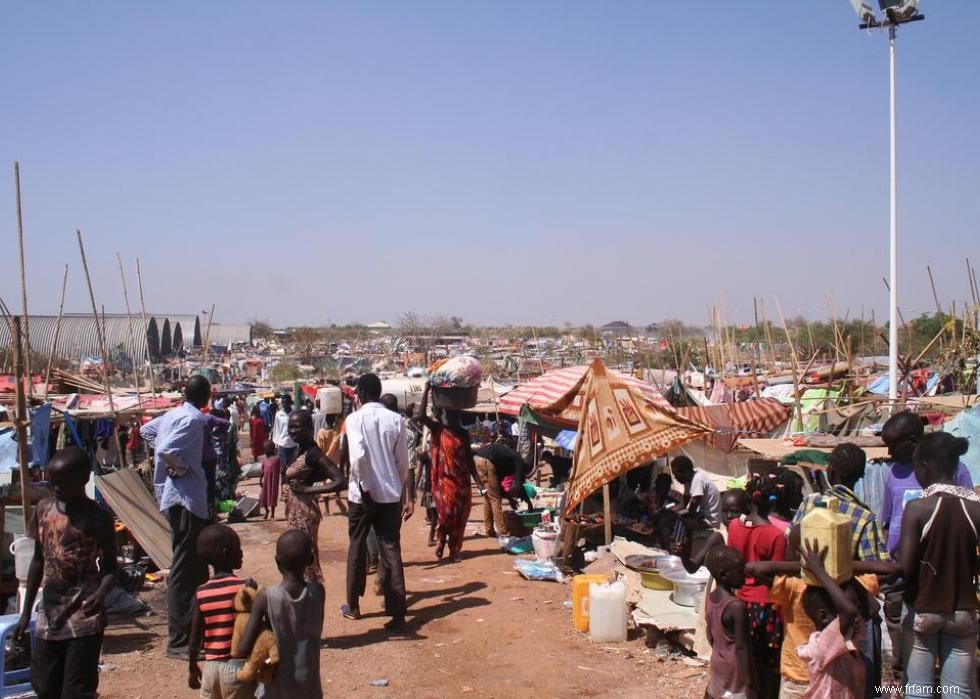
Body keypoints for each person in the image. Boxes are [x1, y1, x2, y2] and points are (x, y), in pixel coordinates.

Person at [13, 447, 117, 699]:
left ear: (83, 478)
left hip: (84, 614)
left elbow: (112, 566)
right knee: (44, 684)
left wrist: (101, 593)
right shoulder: (43, 510)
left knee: (76, 689)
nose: (55, 488)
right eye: (53, 483)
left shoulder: (97, 517)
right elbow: (38, 561)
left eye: (62, 483)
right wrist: (26, 613)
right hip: (49, 611)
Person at [787, 442, 888, 699]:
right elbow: (878, 572)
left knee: (812, 674)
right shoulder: (865, 517)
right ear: (860, 476)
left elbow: (793, 546)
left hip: (810, 606)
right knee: (855, 678)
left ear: (830, 472)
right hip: (848, 611)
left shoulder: (809, 504)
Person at [879, 412, 974, 676]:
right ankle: (901, 679)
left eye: (893, 444)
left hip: (940, 578)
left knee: (926, 672)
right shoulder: (893, 473)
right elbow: (887, 522)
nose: (889, 451)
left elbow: (966, 516)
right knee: (905, 649)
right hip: (904, 575)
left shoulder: (954, 472)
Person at [897, 433, 979, 698]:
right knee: (959, 692)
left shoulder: (917, 508)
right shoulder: (976, 510)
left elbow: (906, 568)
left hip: (924, 612)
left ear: (924, 466)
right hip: (964, 614)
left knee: (918, 691)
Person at [141, 374, 212, 659]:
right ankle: (179, 640)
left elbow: (147, 433)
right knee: (184, 569)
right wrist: (179, 467)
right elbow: (164, 448)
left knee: (195, 566)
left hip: (174, 496)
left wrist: (169, 466)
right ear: (206, 395)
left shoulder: (173, 414)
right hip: (186, 497)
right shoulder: (194, 420)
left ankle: (194, 633)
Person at [341, 373, 411, 631]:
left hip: (361, 495)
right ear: (379, 393)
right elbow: (403, 462)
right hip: (389, 494)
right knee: (390, 549)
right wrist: (397, 486)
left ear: (359, 394)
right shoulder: (396, 420)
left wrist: (367, 488)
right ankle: (397, 612)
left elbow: (357, 458)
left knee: (357, 546)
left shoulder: (354, 419)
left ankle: (353, 605)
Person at [238, 530, 324, 699]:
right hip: (310, 689)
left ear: (277, 560)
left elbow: (244, 647)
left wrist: (250, 603)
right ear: (311, 560)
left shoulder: (265, 597)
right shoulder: (319, 591)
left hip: (277, 690)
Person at [726, 473, 787, 699]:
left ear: (748, 499)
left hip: (739, 601)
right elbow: (777, 580)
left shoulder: (733, 527)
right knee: (767, 666)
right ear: (772, 501)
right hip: (767, 608)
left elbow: (732, 564)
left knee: (744, 657)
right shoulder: (776, 536)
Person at [797, 538, 873, 699]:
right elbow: (849, 610)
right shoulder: (820, 646)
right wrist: (819, 571)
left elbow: (872, 607)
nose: (857, 617)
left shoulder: (848, 639)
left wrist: (842, 568)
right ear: (824, 616)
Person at [188, 525, 257, 699]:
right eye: (238, 549)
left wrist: (192, 666)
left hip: (211, 668)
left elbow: (195, 636)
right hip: (237, 667)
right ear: (226, 553)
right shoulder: (244, 587)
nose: (241, 553)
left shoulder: (201, 592)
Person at [416, 382, 478, 563]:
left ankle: (454, 550)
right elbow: (420, 416)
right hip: (444, 482)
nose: (453, 418)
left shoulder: (463, 434)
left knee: (461, 516)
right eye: (450, 415)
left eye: (455, 415)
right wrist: (426, 389)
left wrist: (479, 484)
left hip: (462, 481)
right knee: (446, 514)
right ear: (444, 415)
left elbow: (468, 459)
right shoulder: (438, 429)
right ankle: (441, 540)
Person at [282, 411, 345, 584]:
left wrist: (307, 489)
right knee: (298, 557)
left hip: (304, 514)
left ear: (309, 429)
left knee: (305, 557)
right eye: (290, 427)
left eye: (297, 427)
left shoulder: (313, 453)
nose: (292, 431)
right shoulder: (299, 449)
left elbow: (340, 481)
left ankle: (312, 597)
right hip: (294, 513)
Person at [703, 546, 753, 699]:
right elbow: (741, 647)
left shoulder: (710, 598)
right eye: (739, 572)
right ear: (724, 574)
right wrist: (750, 683)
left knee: (716, 691)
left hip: (718, 661)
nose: (744, 576)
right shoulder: (736, 607)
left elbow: (710, 634)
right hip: (735, 669)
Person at [473, 441, 534, 538]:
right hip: (486, 460)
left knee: (488, 497)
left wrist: (511, 499)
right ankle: (503, 532)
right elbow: (519, 485)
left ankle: (489, 530)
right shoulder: (519, 464)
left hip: (478, 460)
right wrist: (528, 502)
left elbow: (499, 488)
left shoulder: (505, 466)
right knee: (495, 499)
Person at [670, 455, 721, 527]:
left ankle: (675, 538)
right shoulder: (688, 481)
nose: (675, 478)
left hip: (710, 520)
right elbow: (684, 503)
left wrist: (676, 514)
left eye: (677, 474)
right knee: (674, 517)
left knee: (679, 521)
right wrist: (671, 511)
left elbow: (692, 508)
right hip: (702, 515)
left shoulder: (697, 479)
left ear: (685, 472)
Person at [768, 469, 804, 534]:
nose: (801, 496)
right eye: (797, 492)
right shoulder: (788, 529)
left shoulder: (769, 517)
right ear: (786, 492)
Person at [272, 395, 297, 472]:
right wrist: (275, 442)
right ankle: (283, 482)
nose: (285, 404)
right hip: (282, 444)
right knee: (283, 467)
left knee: (293, 467)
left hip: (294, 444)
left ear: (290, 402)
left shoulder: (294, 413)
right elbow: (276, 428)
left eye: (286, 402)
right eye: (283, 403)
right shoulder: (279, 414)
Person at [259, 440, 281, 520]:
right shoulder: (264, 458)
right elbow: (262, 470)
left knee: (273, 496)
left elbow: (281, 469)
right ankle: (266, 511)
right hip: (266, 482)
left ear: (271, 449)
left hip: (274, 481)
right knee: (263, 496)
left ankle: (272, 514)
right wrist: (260, 479)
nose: (265, 451)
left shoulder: (277, 458)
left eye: (266, 449)